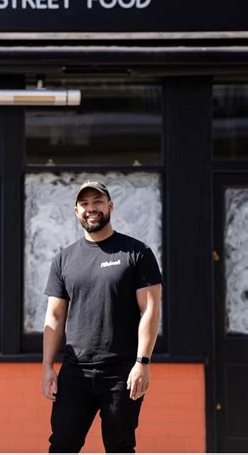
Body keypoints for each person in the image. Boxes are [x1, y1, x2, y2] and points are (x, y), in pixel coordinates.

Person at [42, 181, 162, 453]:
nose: (91, 208)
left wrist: (142, 363)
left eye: (97, 201)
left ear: (110, 206)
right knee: (61, 445)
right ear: (76, 211)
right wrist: (47, 367)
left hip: (122, 373)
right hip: (75, 372)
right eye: (84, 204)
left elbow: (150, 310)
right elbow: (55, 316)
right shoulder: (64, 259)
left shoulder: (136, 252)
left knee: (120, 447)